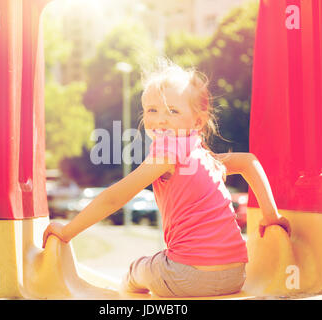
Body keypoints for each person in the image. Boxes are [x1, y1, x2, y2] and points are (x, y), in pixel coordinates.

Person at [42, 59, 291, 297]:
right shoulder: (204, 157)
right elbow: (249, 161)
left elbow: (114, 197)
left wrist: (67, 231)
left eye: (172, 111)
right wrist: (272, 216)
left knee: (136, 270)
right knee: (161, 261)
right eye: (152, 110)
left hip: (187, 276)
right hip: (235, 274)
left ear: (197, 120)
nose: (160, 119)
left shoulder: (167, 152)